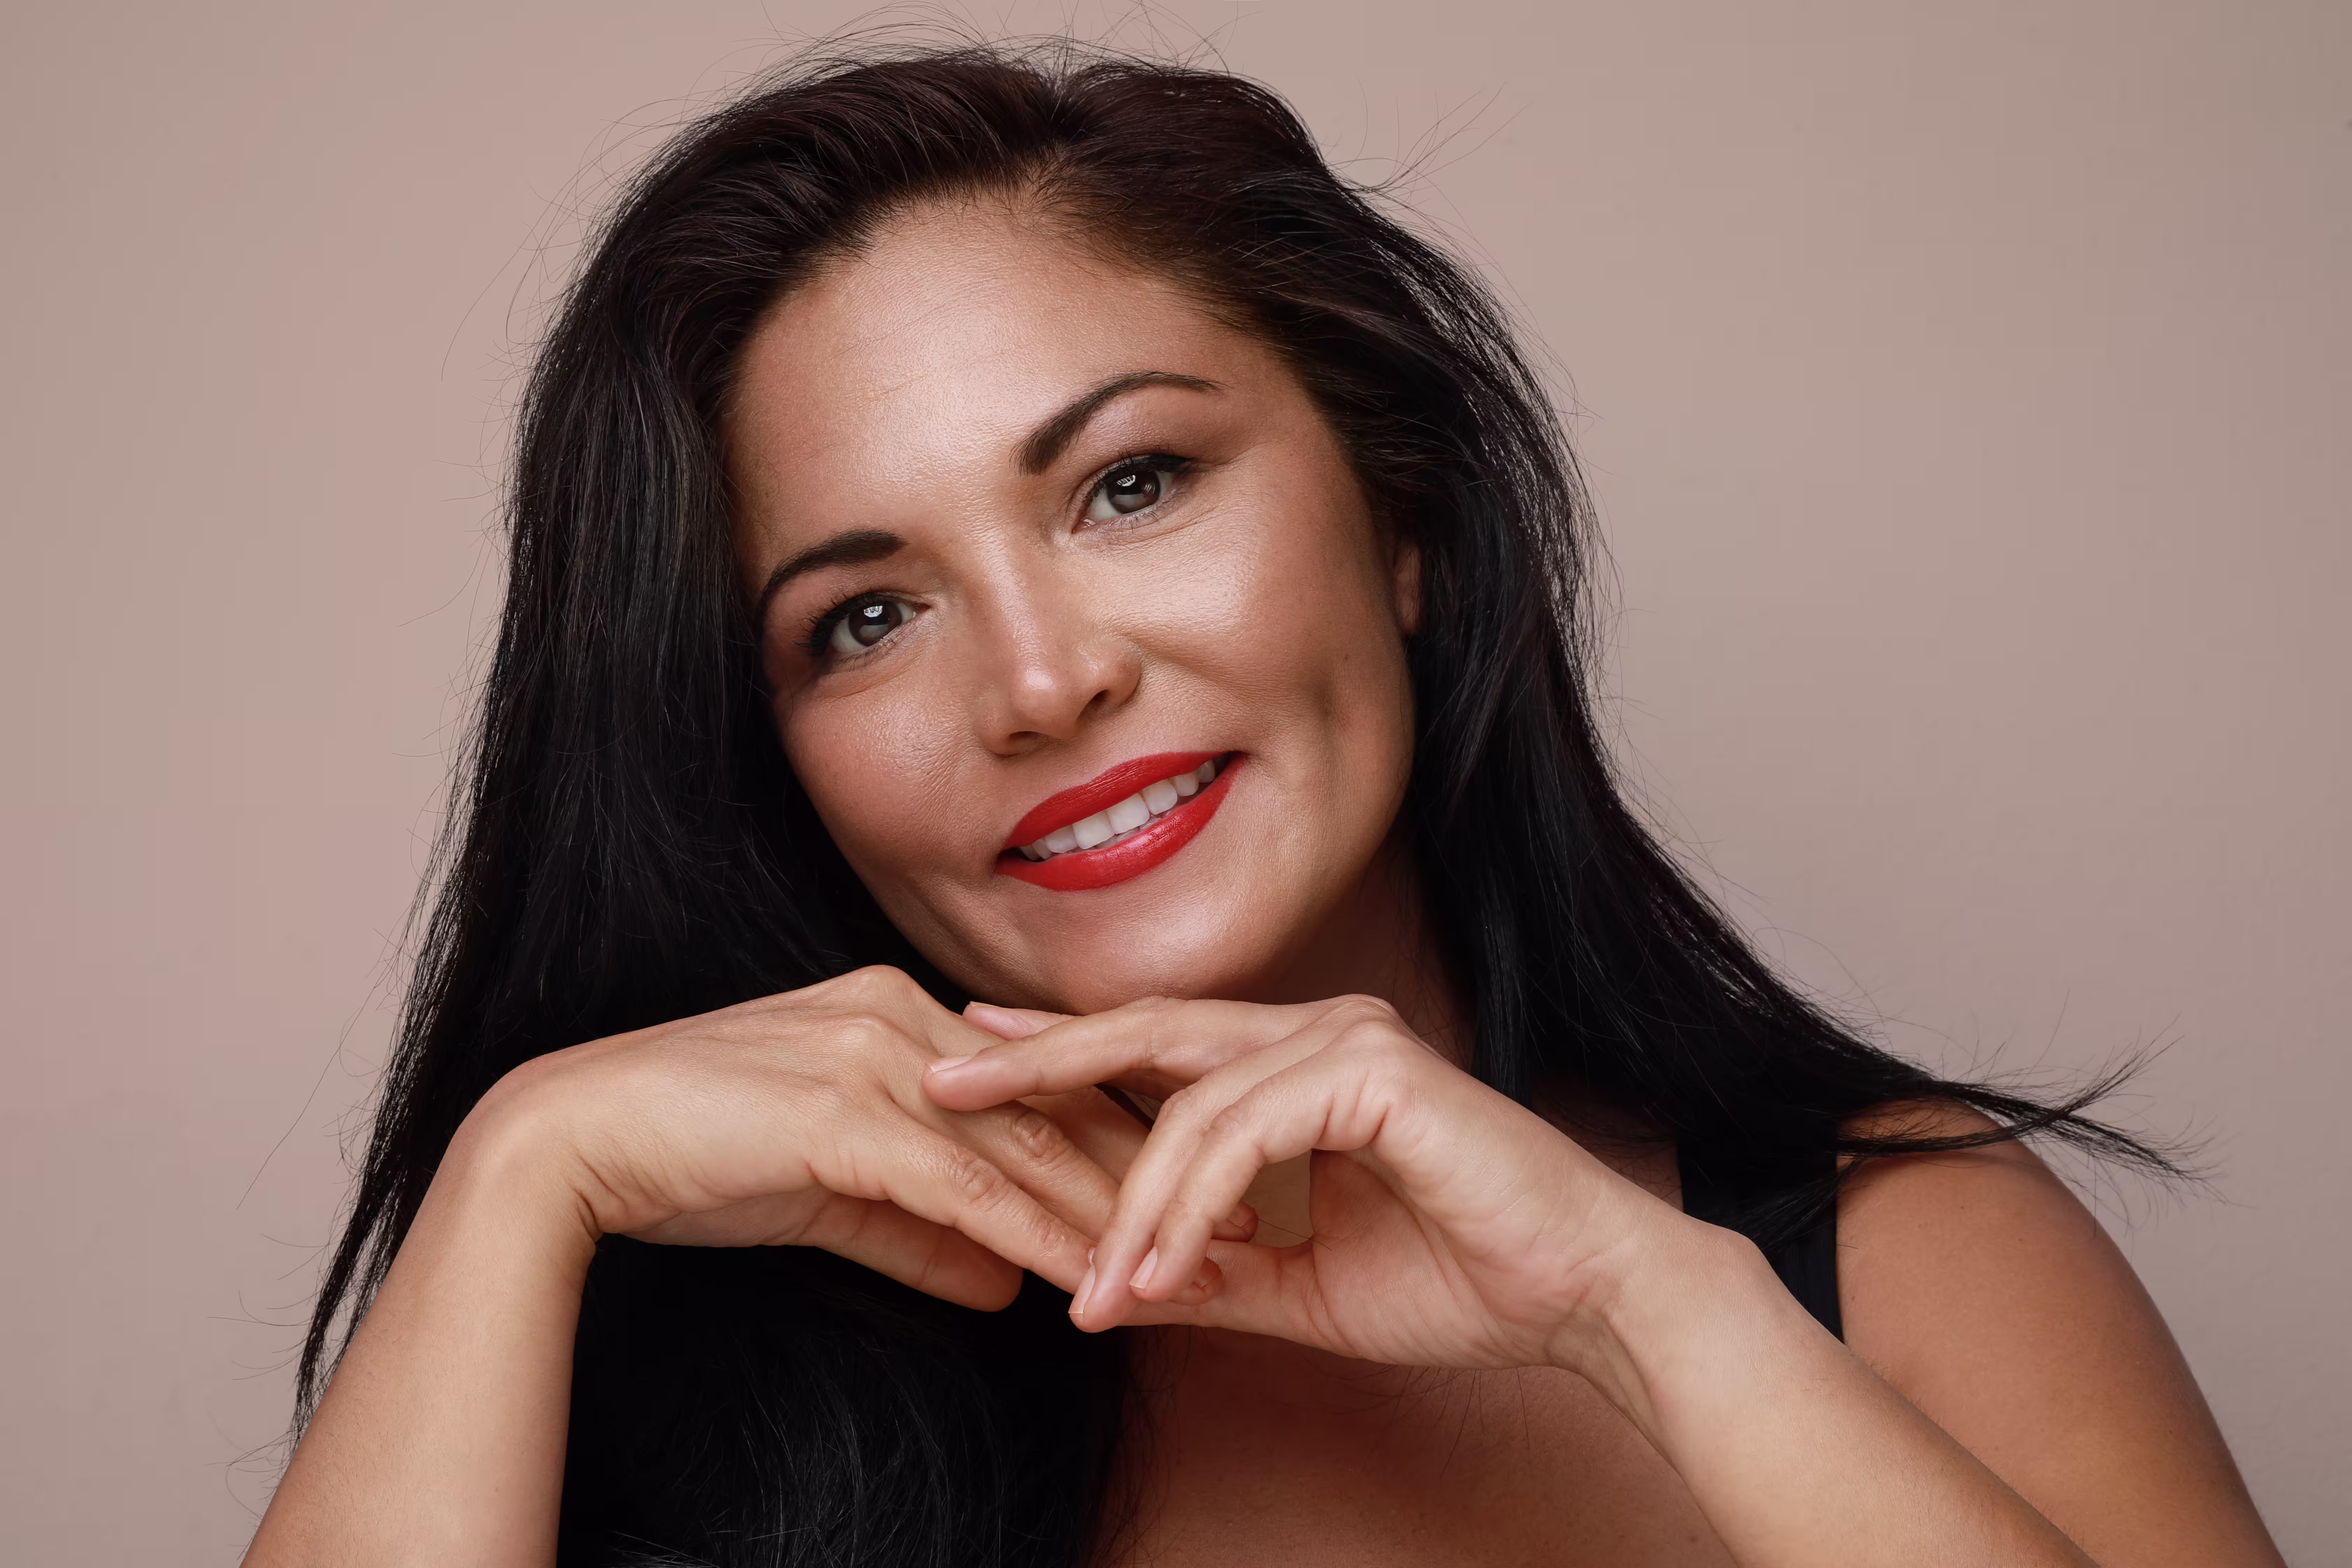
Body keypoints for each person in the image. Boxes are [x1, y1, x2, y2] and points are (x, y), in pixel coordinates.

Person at [245, 41, 2284, 1568]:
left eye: (1131, 485)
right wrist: (522, 1185)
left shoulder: (1885, 1253)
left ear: (1400, 520)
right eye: (865, 615)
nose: (1044, 684)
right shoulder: (663, 1343)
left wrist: (1647, 1311)